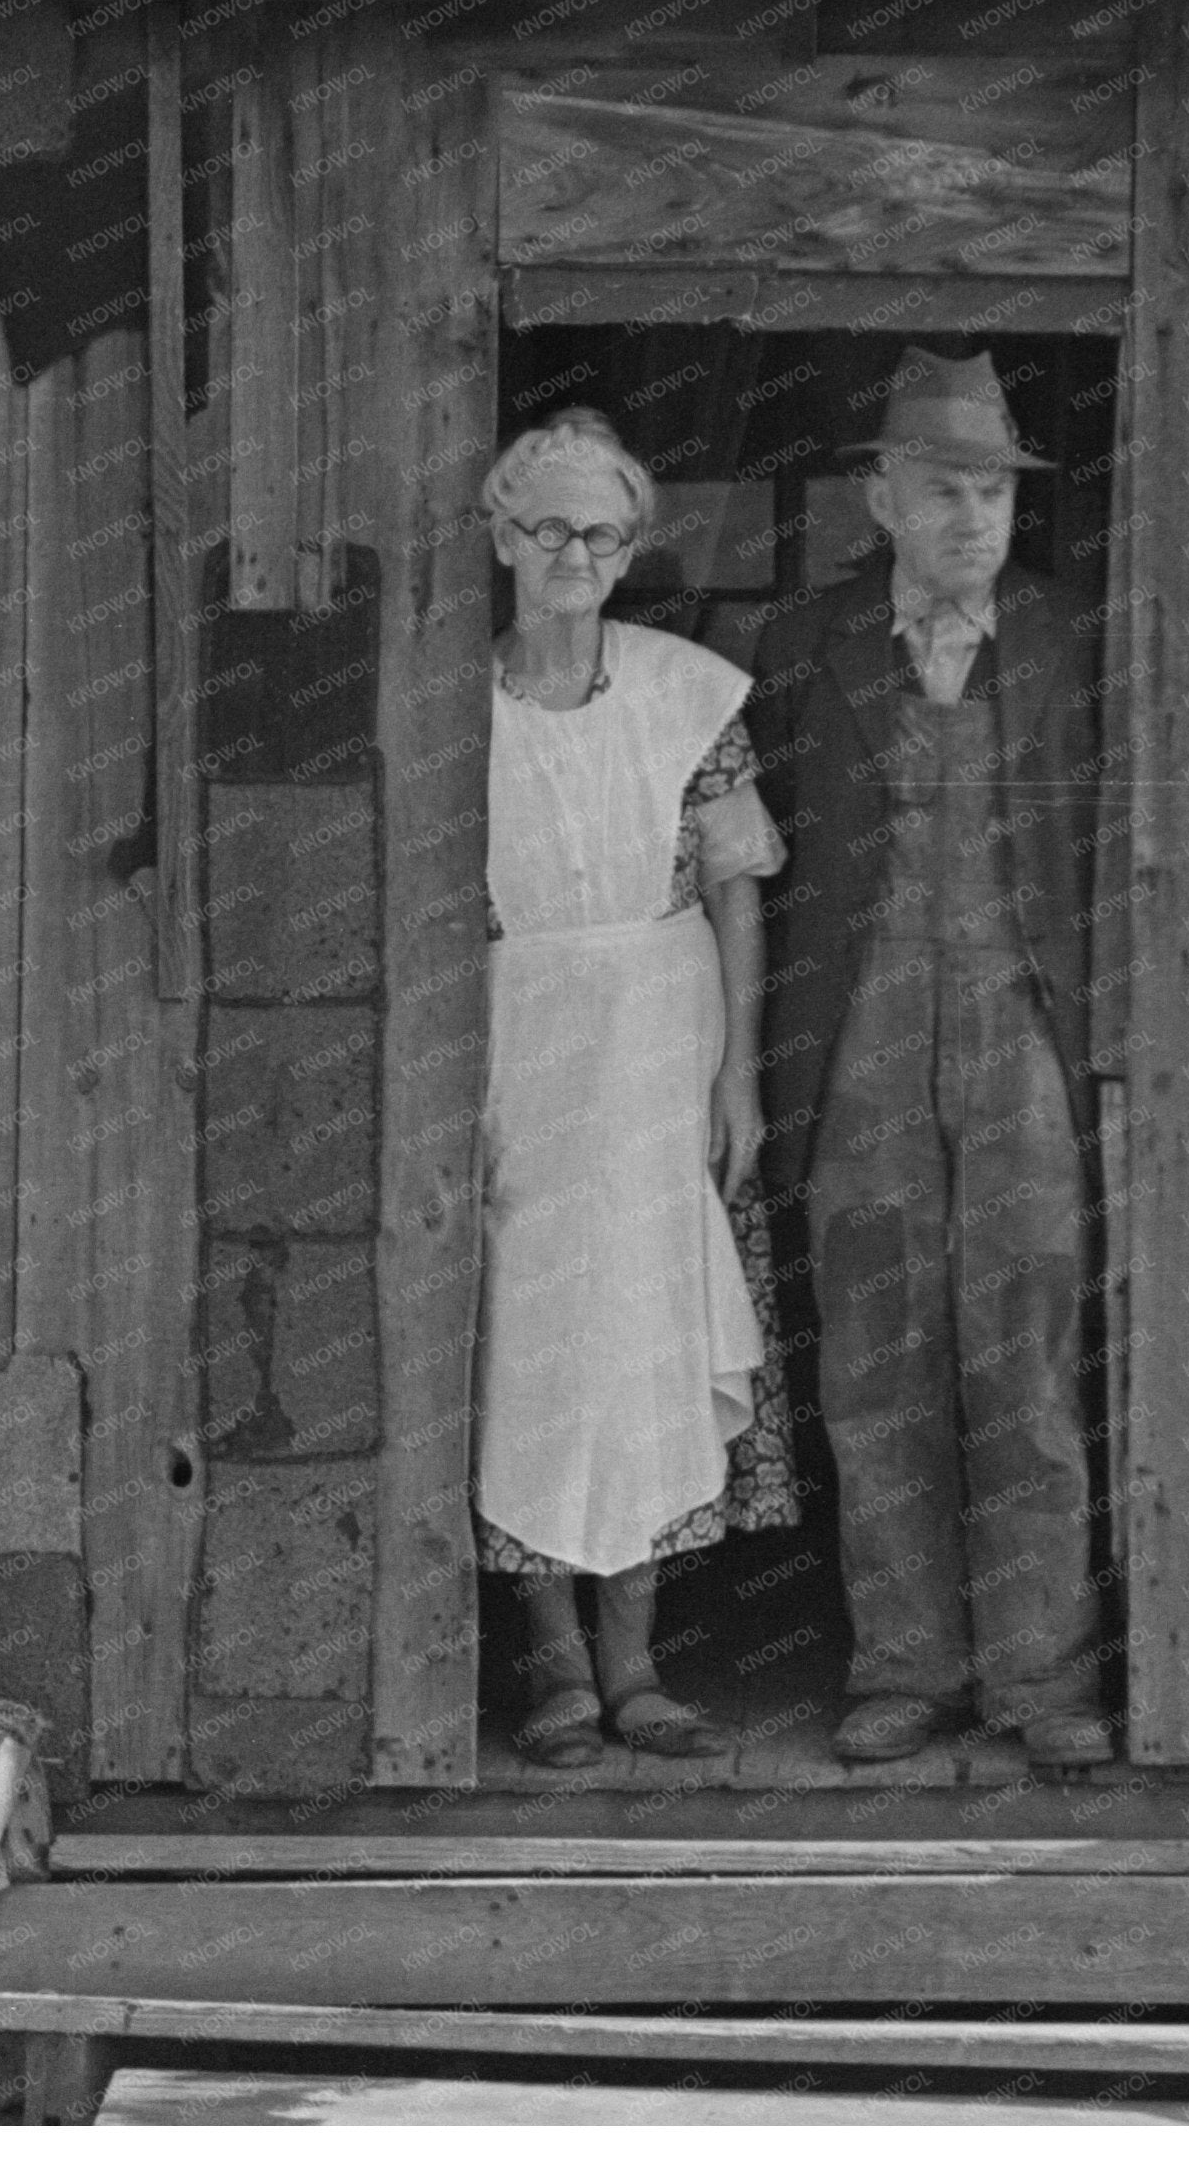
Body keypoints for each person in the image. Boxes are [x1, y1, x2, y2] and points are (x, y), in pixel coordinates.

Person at [747, 347, 1114, 1769]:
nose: (975, 518)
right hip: (860, 1026)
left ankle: (1040, 1677)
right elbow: (755, 860)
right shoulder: (803, 642)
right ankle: (903, 1663)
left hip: (1021, 1020)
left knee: (1021, 1351)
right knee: (873, 1354)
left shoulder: (1070, 637)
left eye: (994, 493)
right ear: (880, 499)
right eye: (944, 491)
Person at [471, 408, 800, 1767]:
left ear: (629, 548)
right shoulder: (453, 698)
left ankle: (639, 1663)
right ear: (499, 535)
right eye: (546, 526)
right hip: (518, 1045)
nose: (573, 552)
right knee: (531, 1350)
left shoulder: (687, 691)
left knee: (649, 1337)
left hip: (663, 1051)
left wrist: (735, 1076)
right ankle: (552, 1669)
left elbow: (736, 893)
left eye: (600, 532)